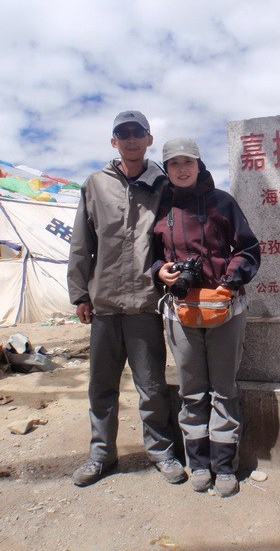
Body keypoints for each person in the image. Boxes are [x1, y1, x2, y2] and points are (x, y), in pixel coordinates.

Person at [67, 111, 186, 487]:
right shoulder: (95, 184)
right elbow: (82, 242)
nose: (131, 138)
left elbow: (174, 237)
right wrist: (79, 293)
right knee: (101, 387)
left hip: (144, 302)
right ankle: (101, 454)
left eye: (138, 132)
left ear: (149, 139)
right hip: (103, 304)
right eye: (124, 133)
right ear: (113, 141)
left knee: (151, 387)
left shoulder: (162, 184)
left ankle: (162, 452)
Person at [152, 137, 261, 497]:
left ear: (199, 165)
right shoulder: (160, 209)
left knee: (224, 389)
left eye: (188, 162)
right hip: (180, 312)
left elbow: (248, 248)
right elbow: (151, 256)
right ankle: (198, 463)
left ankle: (224, 466)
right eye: (174, 164)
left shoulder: (222, 202)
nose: (182, 169)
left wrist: (229, 283)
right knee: (191, 391)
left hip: (225, 308)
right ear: (167, 170)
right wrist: (160, 270)